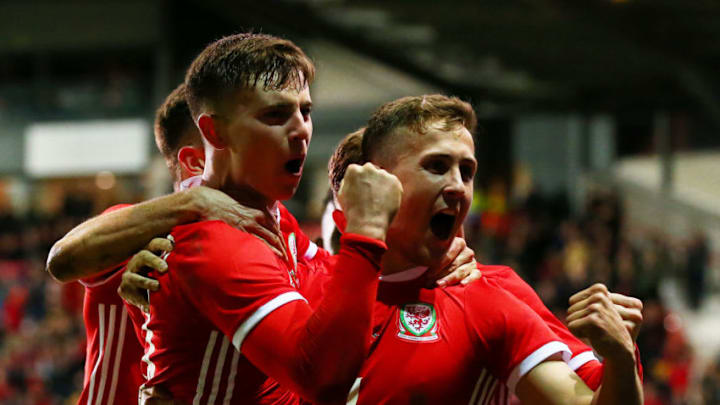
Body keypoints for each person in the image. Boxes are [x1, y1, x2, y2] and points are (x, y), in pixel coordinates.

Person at [132, 32, 406, 405]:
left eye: (305, 111)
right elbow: (322, 377)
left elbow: (342, 293)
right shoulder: (211, 242)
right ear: (215, 132)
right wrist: (367, 230)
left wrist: (436, 265)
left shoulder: (277, 223)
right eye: (275, 114)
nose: (301, 131)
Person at [326, 94, 643, 404]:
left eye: (467, 172)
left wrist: (621, 357)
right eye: (436, 166)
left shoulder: (489, 298)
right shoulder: (311, 290)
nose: (458, 187)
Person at [45, 83, 289, 405]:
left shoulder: (264, 235)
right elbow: (62, 260)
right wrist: (194, 201)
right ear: (196, 161)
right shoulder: (139, 227)